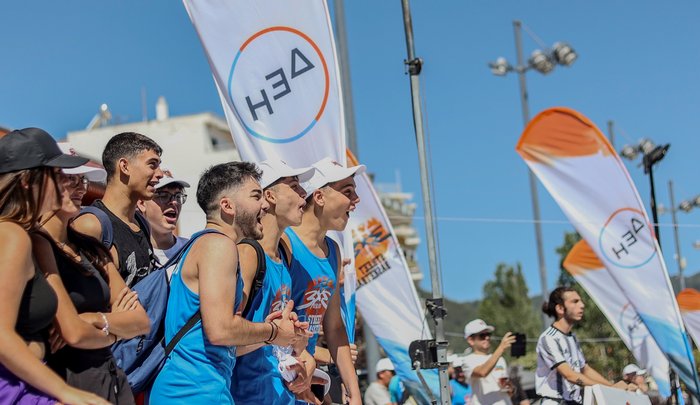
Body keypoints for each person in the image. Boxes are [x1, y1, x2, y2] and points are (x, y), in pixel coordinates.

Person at [149, 161, 306, 404]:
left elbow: (222, 342)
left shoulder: (206, 244)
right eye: (256, 196)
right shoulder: (218, 245)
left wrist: (281, 335)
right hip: (192, 394)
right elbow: (221, 330)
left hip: (198, 391)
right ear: (227, 205)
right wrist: (274, 332)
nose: (265, 205)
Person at [0, 127, 108, 405]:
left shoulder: (21, 234)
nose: (65, 182)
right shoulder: (12, 236)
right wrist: (68, 393)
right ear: (27, 181)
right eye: (55, 174)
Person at [32, 155, 151, 403]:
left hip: (112, 380)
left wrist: (95, 319)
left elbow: (141, 321)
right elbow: (73, 333)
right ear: (45, 183)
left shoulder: (89, 247)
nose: (80, 186)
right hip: (67, 383)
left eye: (82, 179)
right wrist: (116, 326)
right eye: (70, 179)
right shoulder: (36, 244)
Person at [231, 159, 318, 404]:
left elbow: (277, 339)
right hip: (248, 396)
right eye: (294, 185)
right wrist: (277, 335)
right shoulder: (248, 254)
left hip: (280, 394)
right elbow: (226, 334)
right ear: (269, 196)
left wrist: (301, 355)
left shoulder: (282, 257)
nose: (304, 194)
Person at [284, 157, 364, 404]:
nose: (356, 200)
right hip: (278, 376)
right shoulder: (284, 242)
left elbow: (334, 328)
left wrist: (353, 390)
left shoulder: (333, 249)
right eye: (348, 192)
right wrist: (321, 356)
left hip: (307, 376)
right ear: (318, 197)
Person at [73, 132, 164, 287]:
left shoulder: (141, 223)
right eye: (152, 164)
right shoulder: (91, 225)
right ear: (124, 166)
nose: (160, 174)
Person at [536, 287, 636, 404]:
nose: (582, 305)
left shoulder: (572, 337)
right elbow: (569, 375)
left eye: (581, 301)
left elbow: (585, 369)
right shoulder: (548, 338)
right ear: (560, 308)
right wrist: (611, 389)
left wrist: (613, 387)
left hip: (574, 402)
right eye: (575, 301)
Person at [138, 170, 190, 270]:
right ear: (141, 203)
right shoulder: (131, 255)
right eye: (163, 195)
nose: (174, 202)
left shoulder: (191, 250)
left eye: (178, 196)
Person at [462, 319, 515, 405]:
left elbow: (507, 392)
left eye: (488, 334)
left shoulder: (500, 359)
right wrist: (501, 348)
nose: (487, 338)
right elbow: (482, 372)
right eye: (482, 335)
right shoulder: (467, 360)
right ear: (471, 340)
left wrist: (510, 388)